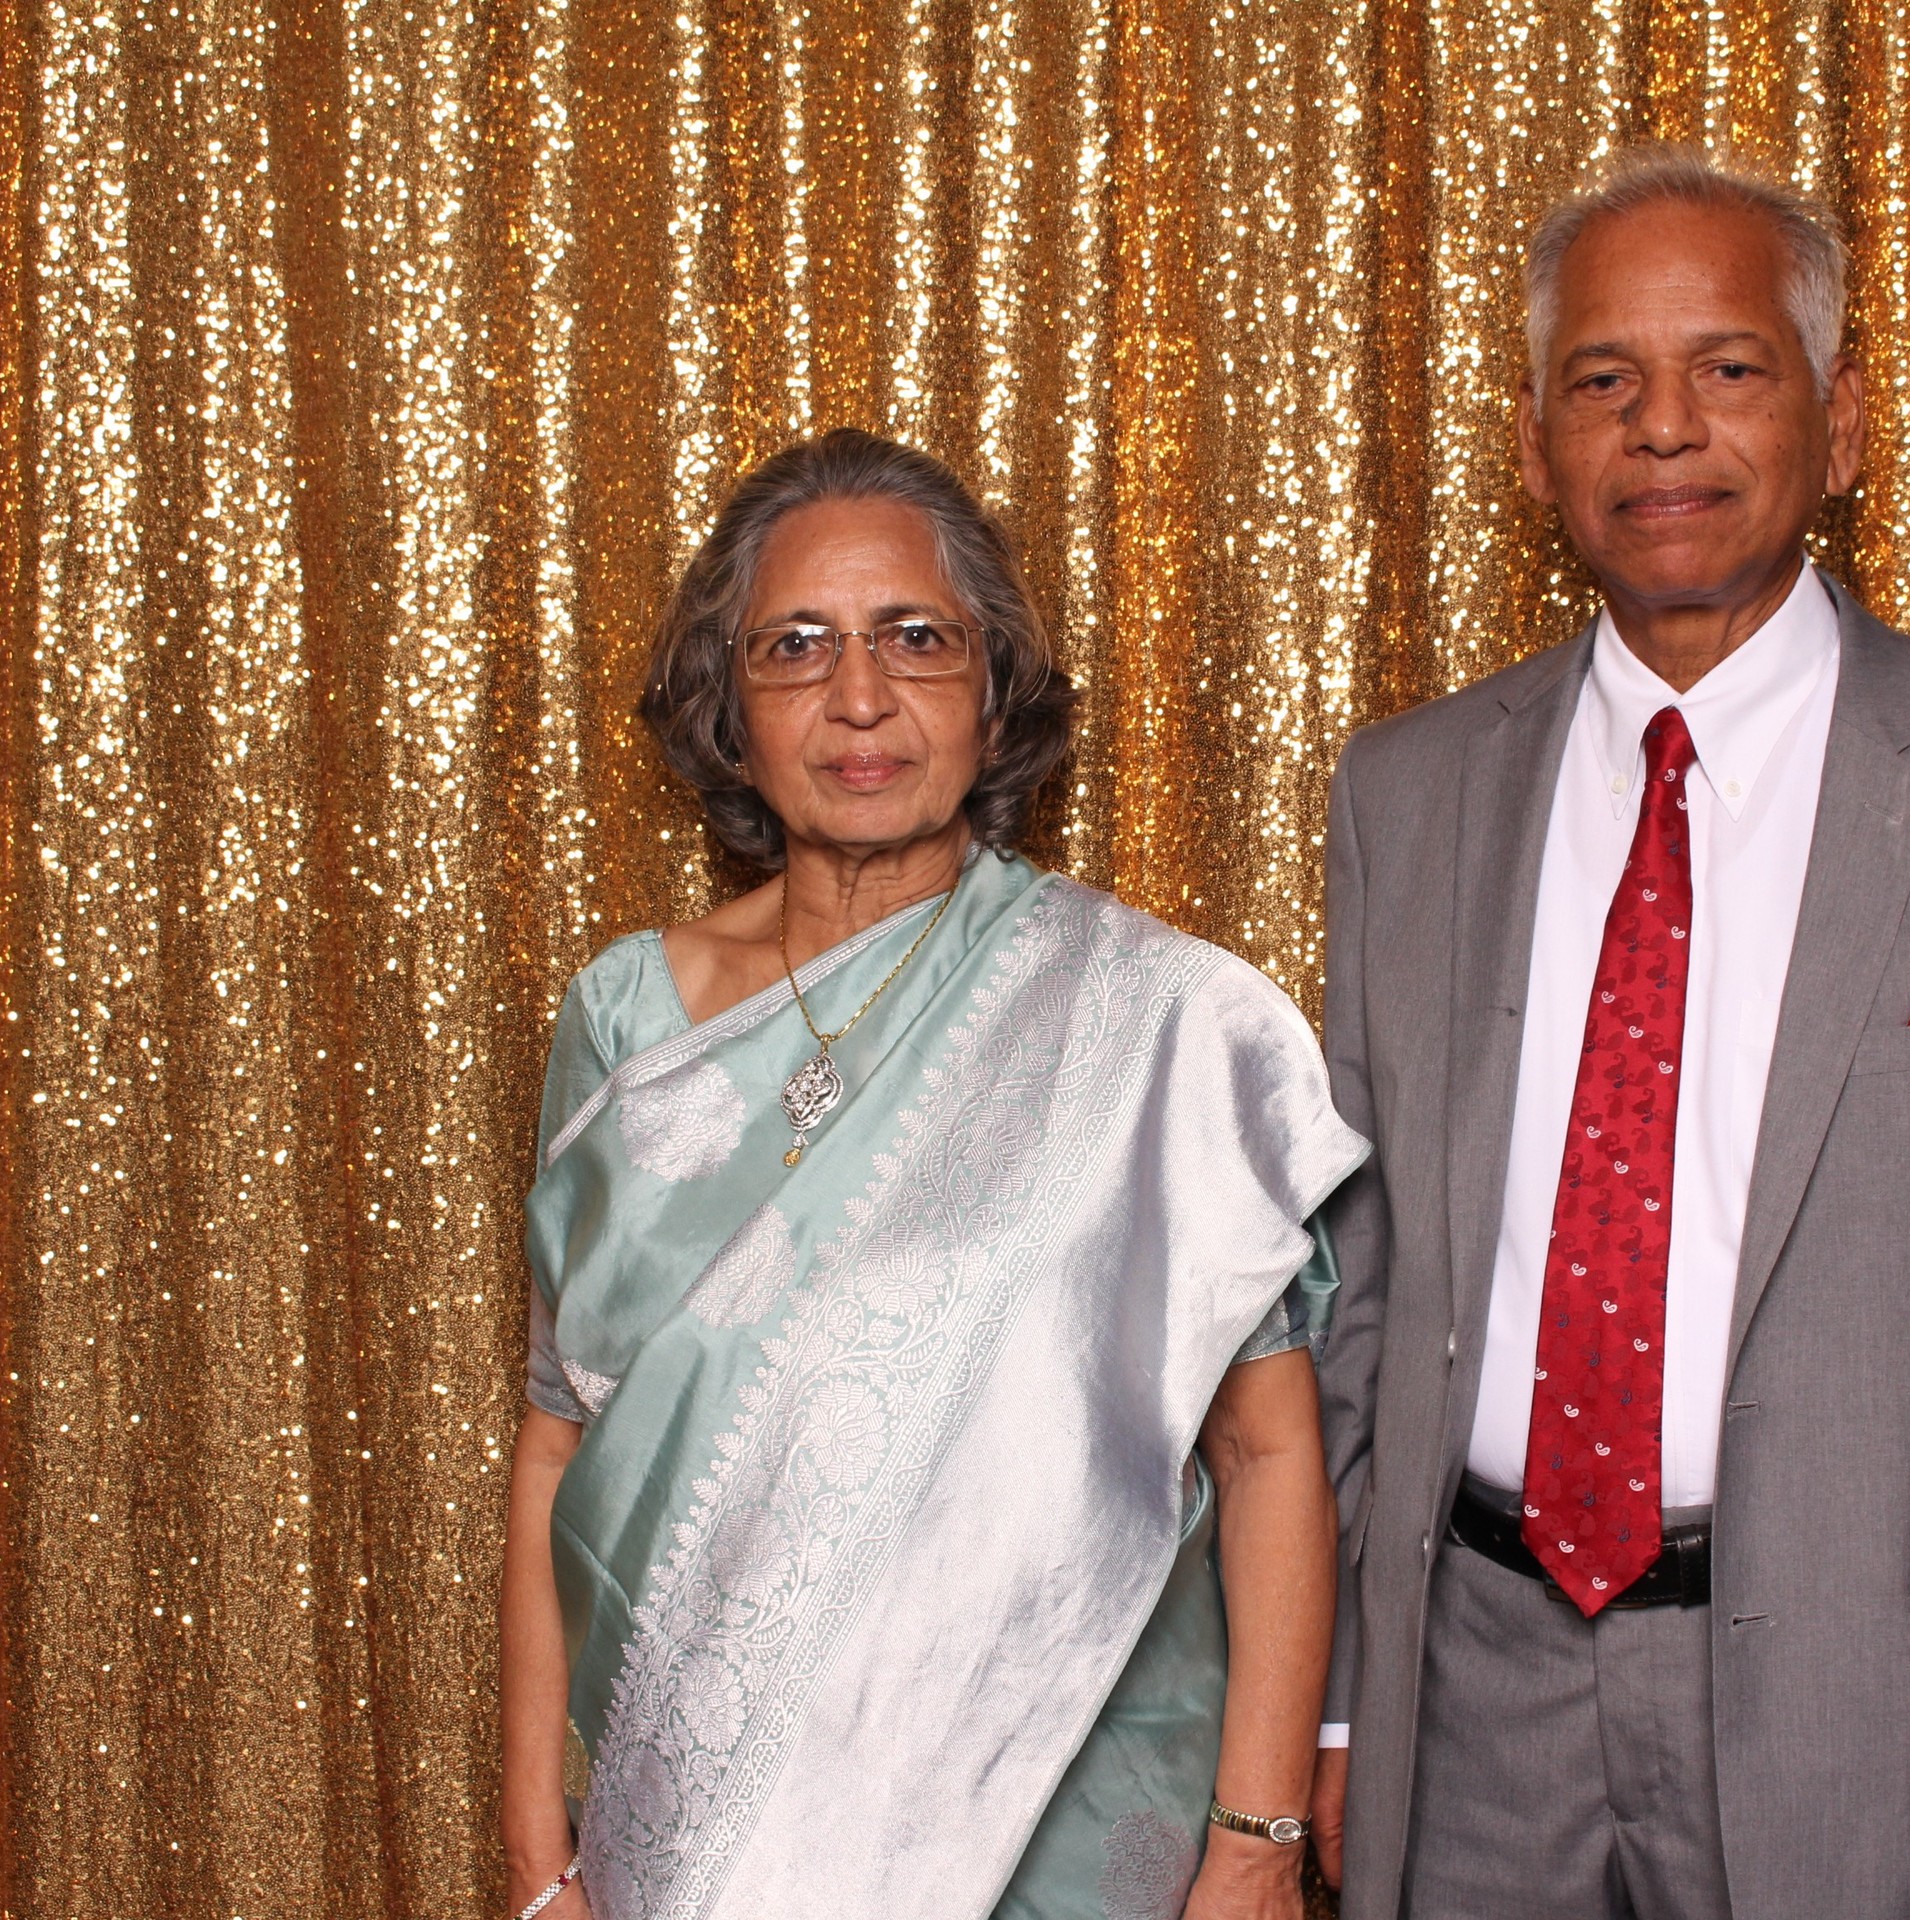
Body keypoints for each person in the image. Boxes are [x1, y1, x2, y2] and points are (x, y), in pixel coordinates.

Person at [1309, 148, 1910, 1920]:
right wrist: (1338, 1707)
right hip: (1469, 1708)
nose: (1664, 428)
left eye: (1727, 368)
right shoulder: (1406, 796)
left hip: (1878, 1735)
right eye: (1603, 381)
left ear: (1842, 422)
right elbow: (1359, 1293)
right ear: (1535, 447)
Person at [498, 429, 1366, 1920]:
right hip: (699, 1840)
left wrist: (1255, 1842)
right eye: (795, 646)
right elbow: (556, 1448)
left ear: (993, 689)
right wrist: (536, 1852)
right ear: (728, 706)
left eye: (915, 637)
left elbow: (1270, 1456)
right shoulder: (629, 1023)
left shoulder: (1147, 1023)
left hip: (1070, 1822)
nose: (859, 697)